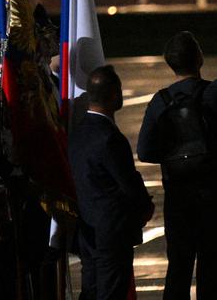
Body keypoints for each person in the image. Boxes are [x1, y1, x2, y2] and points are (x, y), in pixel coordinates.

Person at [137, 5, 217, 300]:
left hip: (178, 196)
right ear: (199, 58)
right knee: (212, 270)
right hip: (212, 195)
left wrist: (176, 152)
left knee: (179, 269)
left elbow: (144, 151)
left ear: (171, 64)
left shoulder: (160, 102)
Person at [68, 65, 153, 300]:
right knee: (111, 292)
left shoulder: (78, 133)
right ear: (114, 94)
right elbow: (128, 183)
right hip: (112, 233)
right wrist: (145, 208)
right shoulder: (109, 138)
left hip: (87, 230)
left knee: (91, 291)